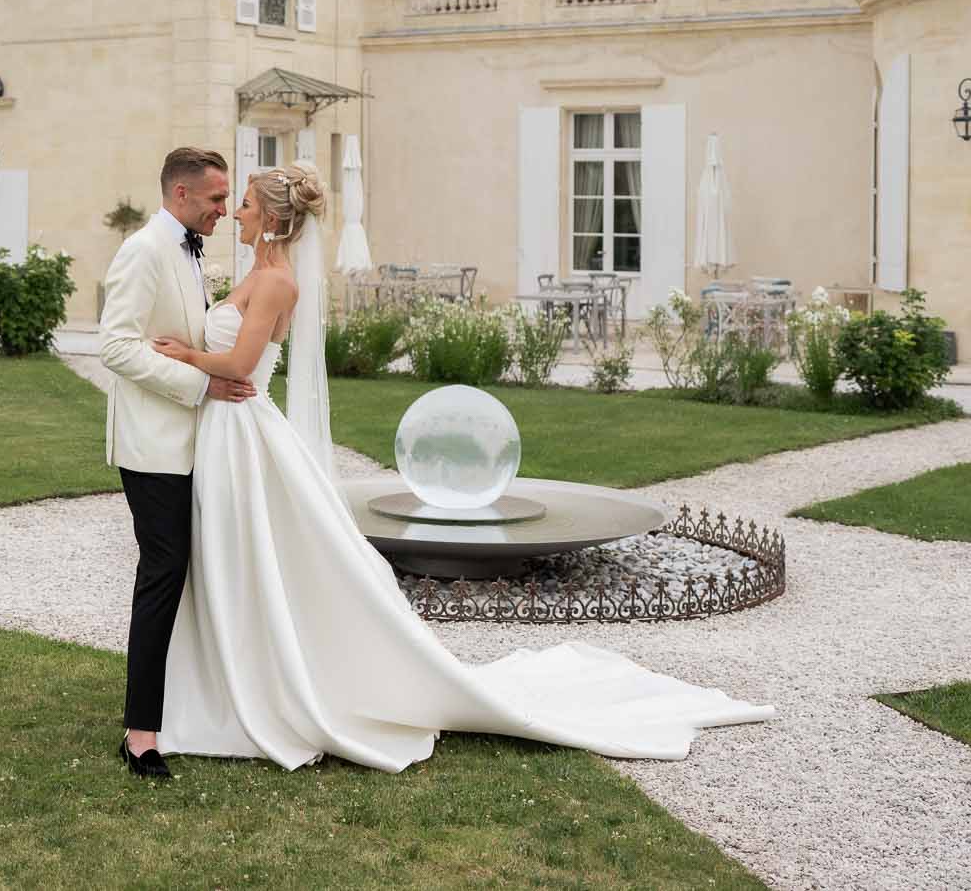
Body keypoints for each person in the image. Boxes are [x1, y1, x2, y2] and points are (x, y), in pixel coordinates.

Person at [145, 161, 775, 773]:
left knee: (242, 549)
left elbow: (240, 364)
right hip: (225, 428)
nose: (236, 215)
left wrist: (186, 356)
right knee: (230, 553)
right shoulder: (256, 273)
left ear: (275, 221)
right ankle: (227, 674)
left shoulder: (277, 281)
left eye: (247, 205)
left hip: (241, 426)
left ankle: (260, 685)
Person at [96, 146, 256, 780]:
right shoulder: (143, 249)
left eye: (227, 199)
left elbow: (185, 338)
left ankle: (189, 707)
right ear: (182, 195)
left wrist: (196, 360)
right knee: (162, 575)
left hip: (195, 443)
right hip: (152, 445)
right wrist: (199, 384)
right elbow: (114, 345)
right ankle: (141, 735)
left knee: (195, 574)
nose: (223, 209)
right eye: (217, 198)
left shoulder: (189, 249)